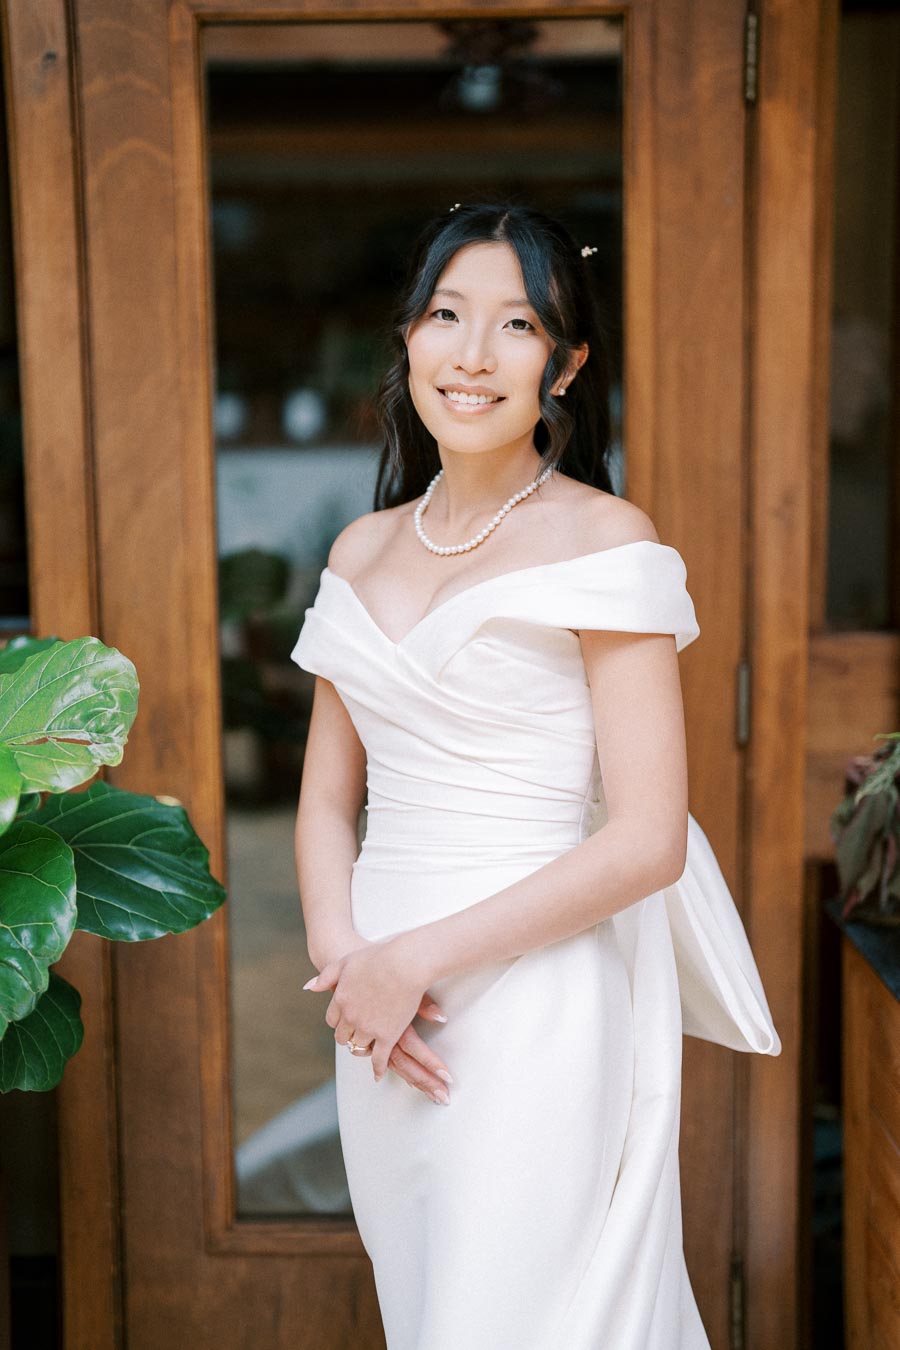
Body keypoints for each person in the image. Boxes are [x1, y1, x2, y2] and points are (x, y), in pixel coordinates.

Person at [291, 201, 781, 1349]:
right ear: (407, 337)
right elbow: (324, 799)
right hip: (379, 1013)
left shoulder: (606, 540)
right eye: (447, 316)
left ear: (566, 365)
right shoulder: (361, 549)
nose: (472, 355)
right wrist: (348, 964)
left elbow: (648, 837)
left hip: (535, 996)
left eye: (516, 326)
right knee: (427, 1311)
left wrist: (415, 958)